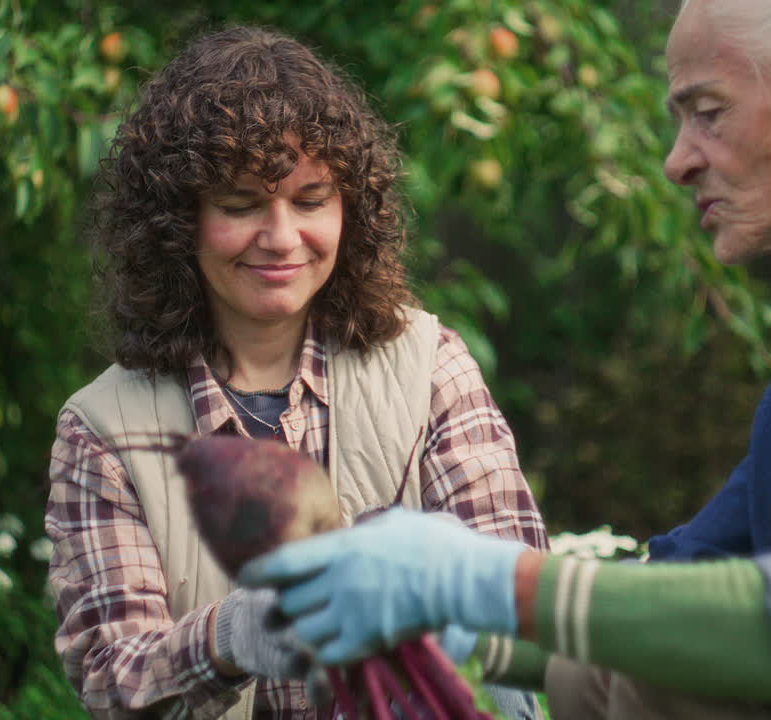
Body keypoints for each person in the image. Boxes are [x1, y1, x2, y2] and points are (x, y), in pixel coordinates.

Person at [240, 1, 771, 718]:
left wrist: (483, 582)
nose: (677, 160)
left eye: (708, 111)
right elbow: (672, 589)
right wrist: (426, 615)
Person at [43, 26, 548, 720]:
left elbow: (520, 604)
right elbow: (113, 679)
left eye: (311, 201)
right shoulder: (103, 431)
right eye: (242, 204)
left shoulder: (430, 366)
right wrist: (232, 636)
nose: (281, 238)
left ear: (351, 209)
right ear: (177, 222)